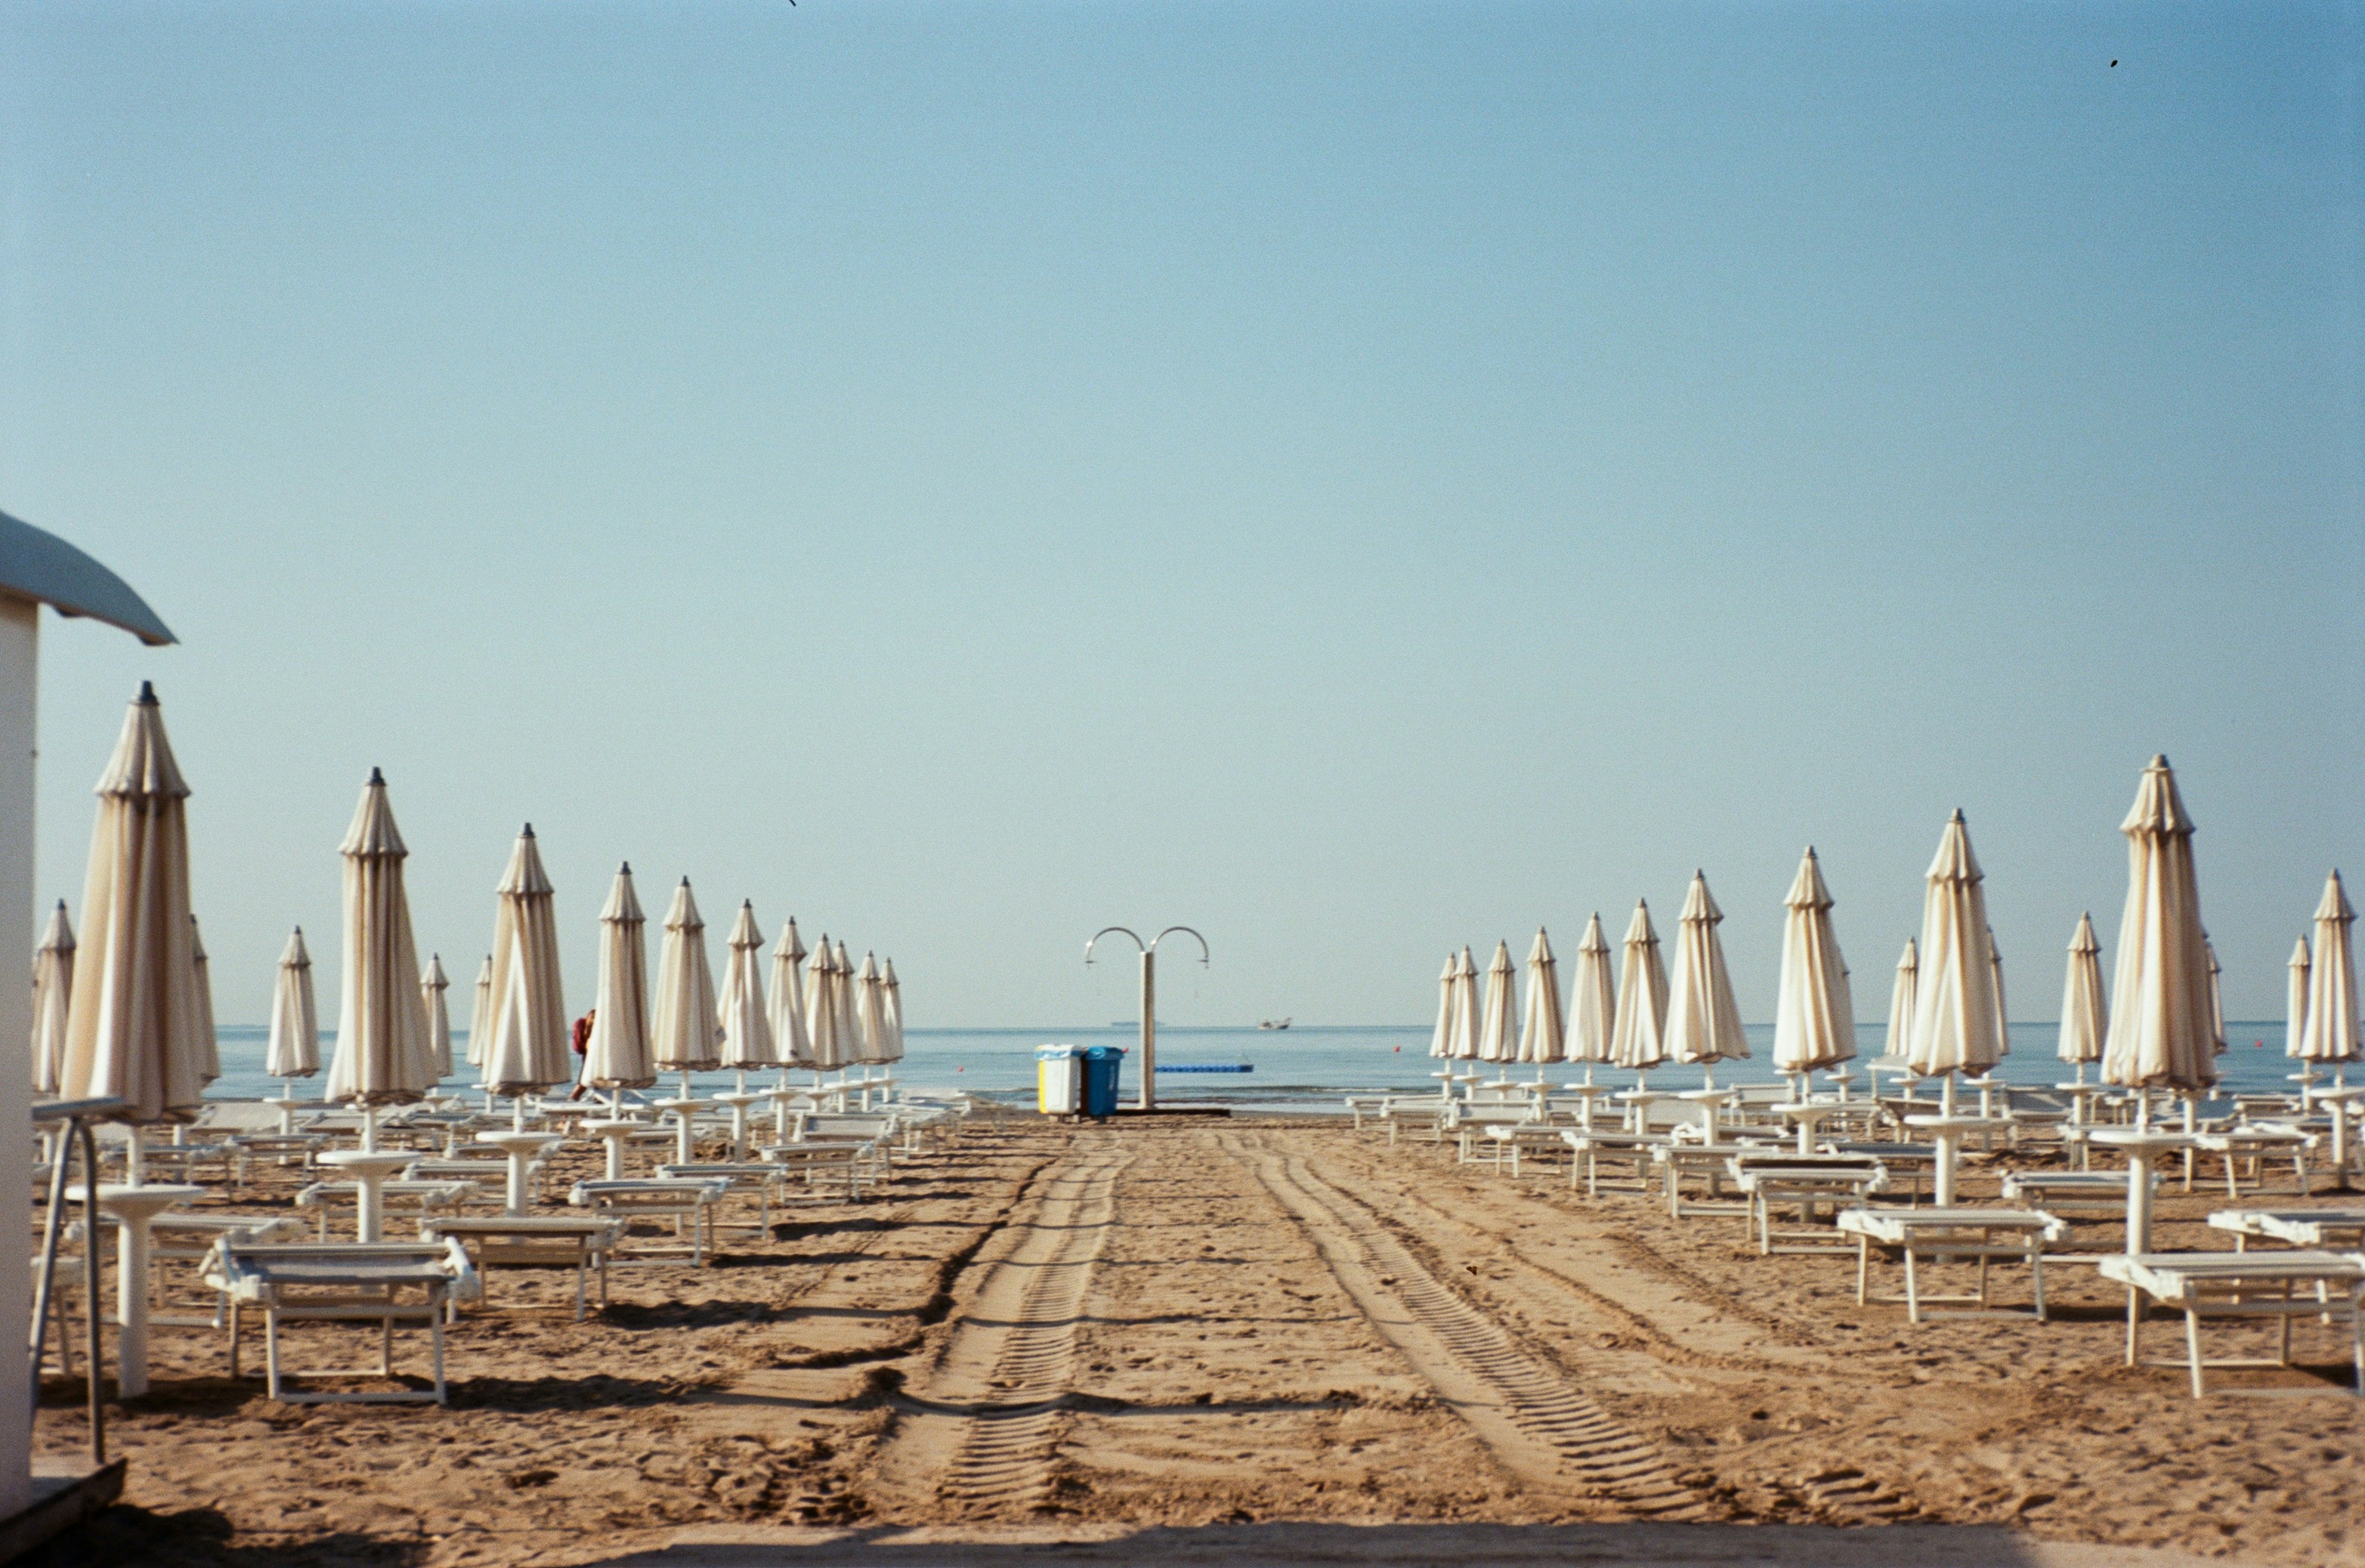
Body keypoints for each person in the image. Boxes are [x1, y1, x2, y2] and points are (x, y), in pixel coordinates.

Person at [567, 1007, 597, 1100]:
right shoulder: (593, 1042)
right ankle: (568, 1109)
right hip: (592, 1066)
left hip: (589, 1065)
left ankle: (568, 1108)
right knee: (580, 1089)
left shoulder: (589, 1040)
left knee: (581, 1089)